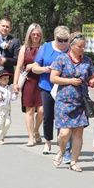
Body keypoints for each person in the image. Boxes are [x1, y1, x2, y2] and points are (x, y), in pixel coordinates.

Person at [50, 32, 94, 173]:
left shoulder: (87, 61)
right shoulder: (62, 59)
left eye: (84, 46)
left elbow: (92, 77)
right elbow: (53, 78)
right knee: (64, 133)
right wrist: (69, 81)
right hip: (63, 101)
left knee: (78, 134)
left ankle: (74, 162)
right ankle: (62, 150)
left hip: (80, 101)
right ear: (71, 46)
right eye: (80, 46)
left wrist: (92, 81)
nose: (83, 48)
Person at [32, 25, 70, 154]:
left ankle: (62, 145)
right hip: (47, 86)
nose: (63, 43)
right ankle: (48, 142)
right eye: (60, 40)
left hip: (64, 87)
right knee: (47, 115)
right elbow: (35, 67)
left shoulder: (70, 50)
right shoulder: (46, 47)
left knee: (62, 117)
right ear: (55, 38)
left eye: (66, 40)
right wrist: (45, 69)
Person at [14, 23, 44, 147]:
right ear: (29, 35)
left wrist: (34, 66)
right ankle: (31, 137)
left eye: (38, 34)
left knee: (42, 110)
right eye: (33, 34)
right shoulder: (24, 48)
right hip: (29, 81)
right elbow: (19, 67)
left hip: (42, 80)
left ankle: (37, 129)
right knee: (30, 110)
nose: (36, 36)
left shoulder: (44, 47)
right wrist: (15, 83)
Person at [0, 71, 17, 143]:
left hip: (7, 109)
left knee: (8, 123)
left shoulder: (9, 88)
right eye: (4, 79)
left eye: (8, 79)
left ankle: (1, 136)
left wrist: (15, 93)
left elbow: (13, 98)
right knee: (0, 123)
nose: (6, 80)